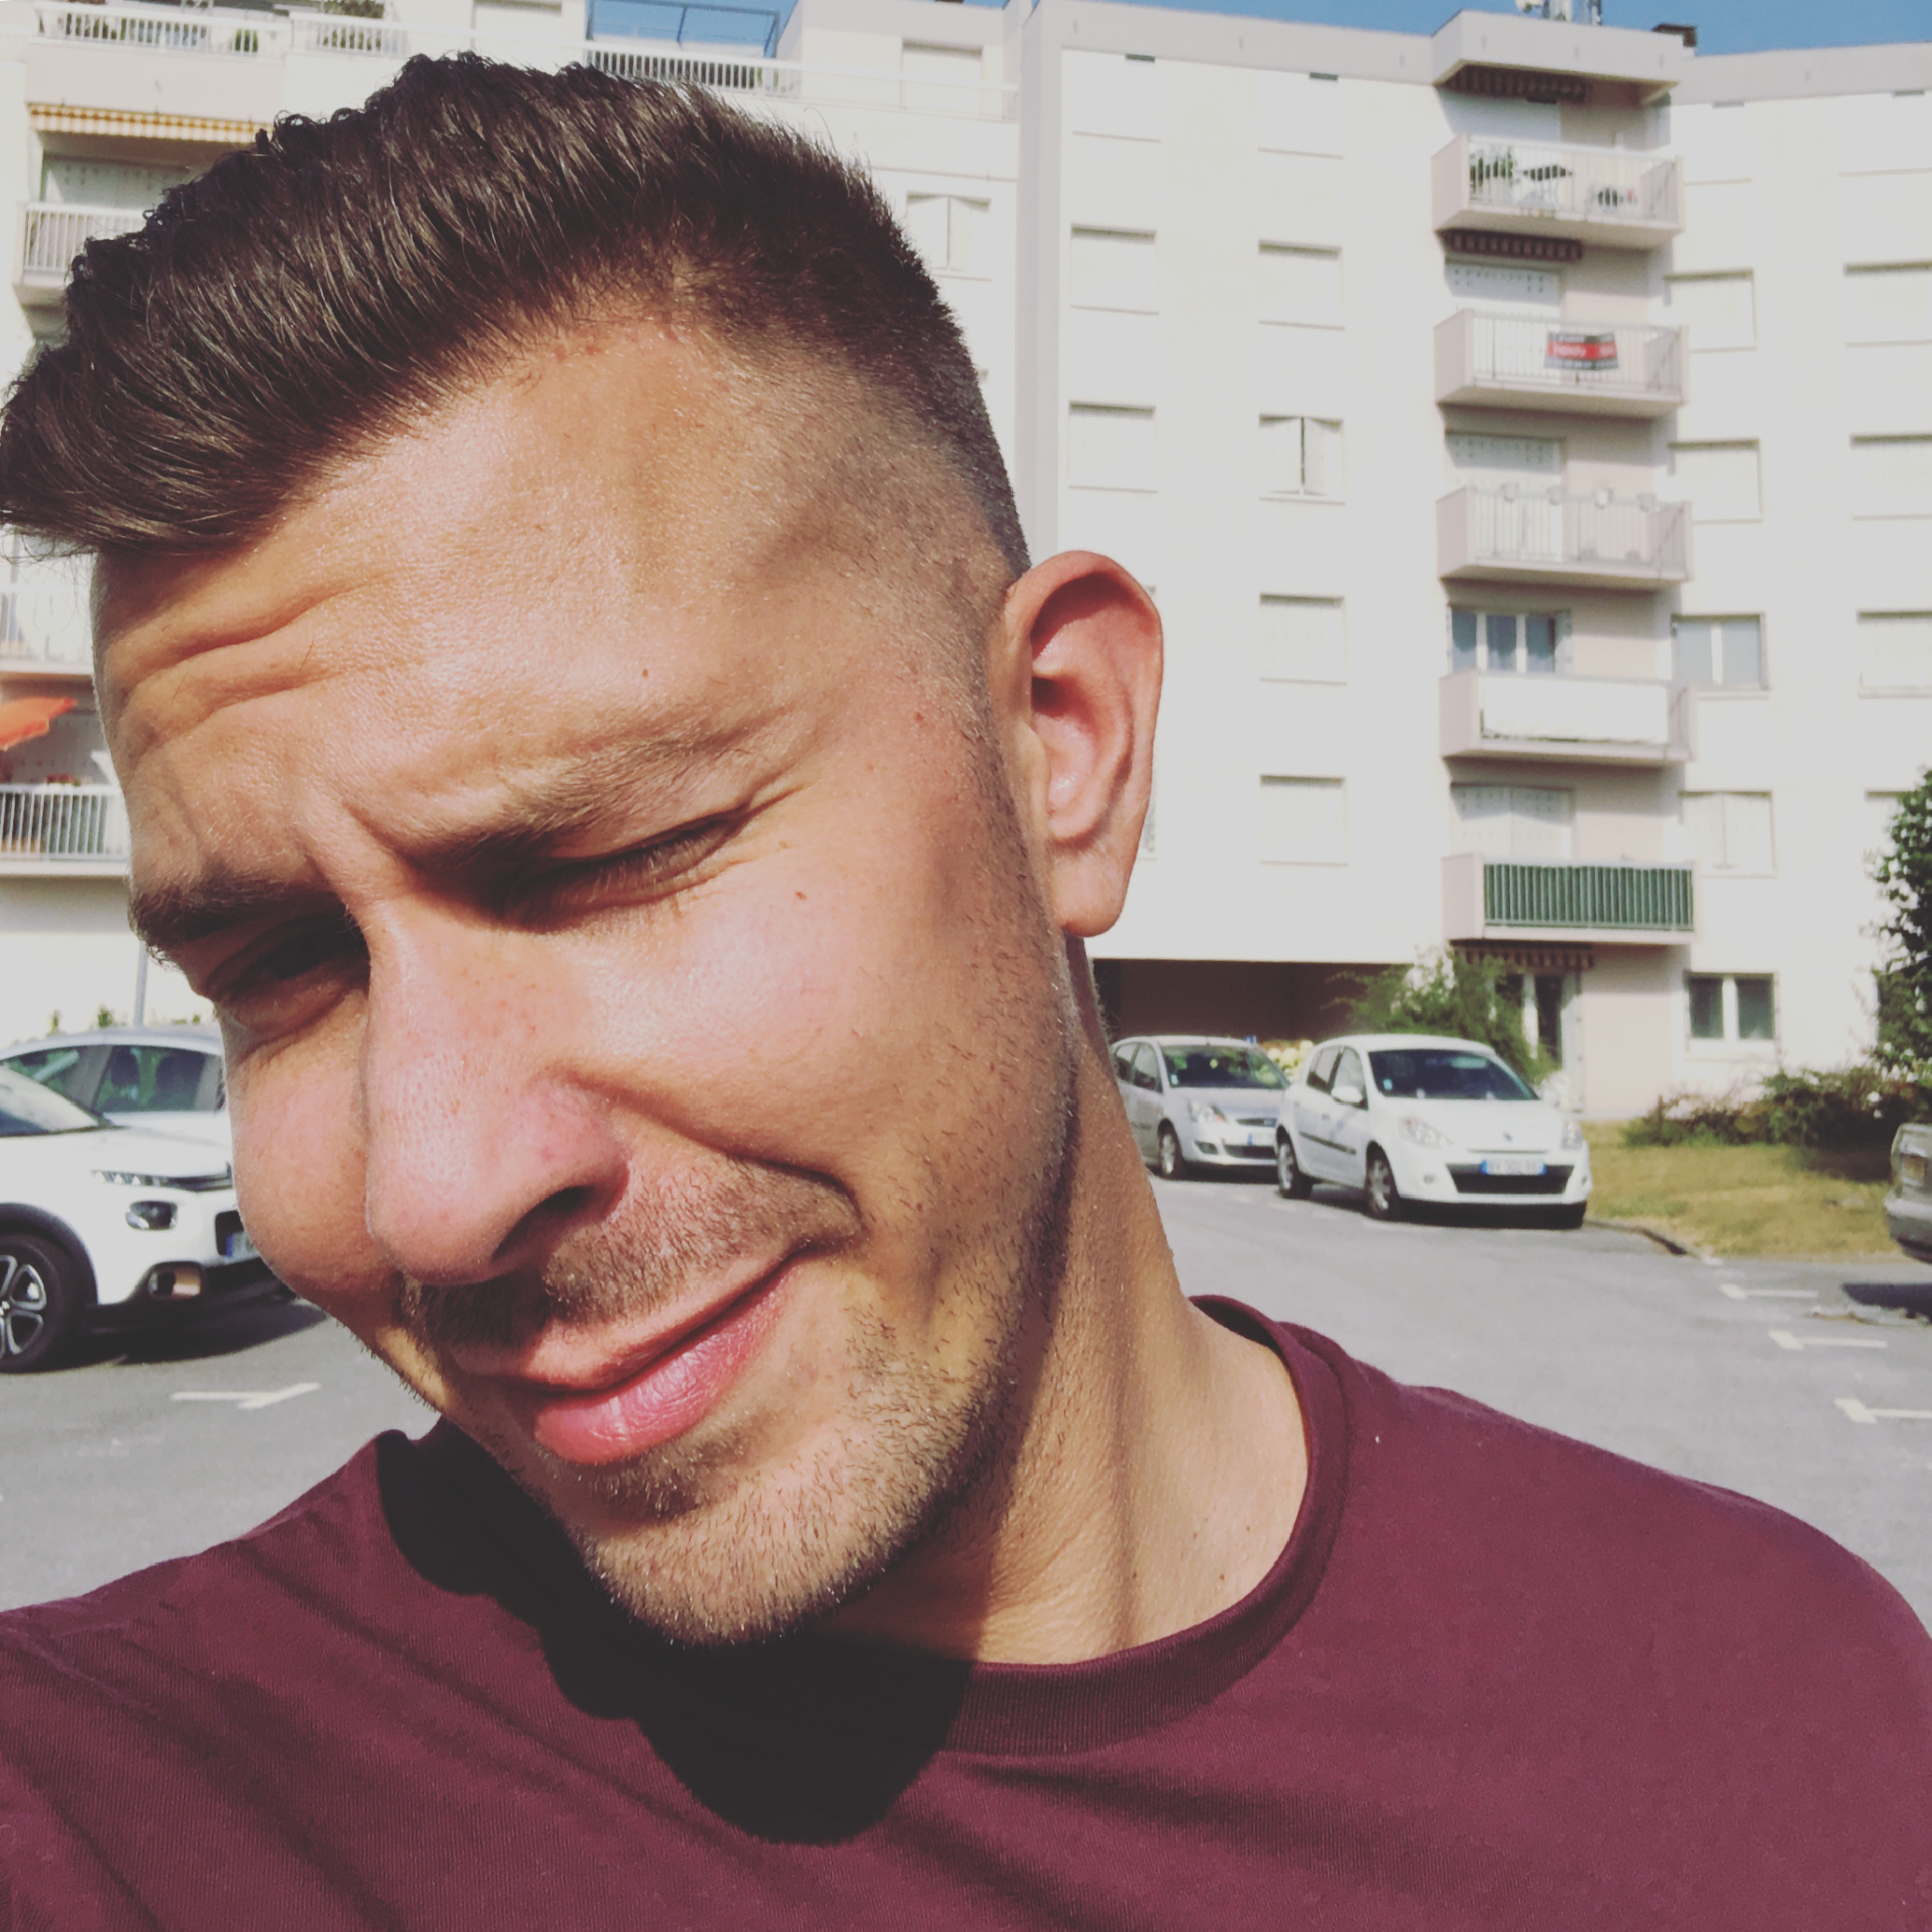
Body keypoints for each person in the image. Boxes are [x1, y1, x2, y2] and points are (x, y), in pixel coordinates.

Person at [0, 56, 1925, 1927]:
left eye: (606, 859)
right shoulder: (117, 1807)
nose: (432, 1188)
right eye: (282, 968)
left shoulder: (1789, 1723)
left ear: (1060, 749)